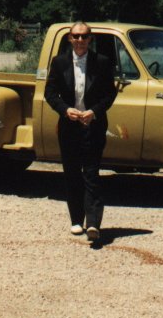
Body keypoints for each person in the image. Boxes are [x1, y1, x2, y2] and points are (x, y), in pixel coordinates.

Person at [44, 22, 117, 243]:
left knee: (92, 174)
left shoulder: (102, 62)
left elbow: (109, 94)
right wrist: (66, 110)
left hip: (93, 126)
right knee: (72, 173)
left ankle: (93, 223)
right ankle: (76, 220)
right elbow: (50, 93)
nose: (79, 40)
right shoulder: (59, 62)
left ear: (90, 39)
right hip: (69, 127)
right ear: (69, 38)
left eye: (84, 36)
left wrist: (93, 112)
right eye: (76, 36)